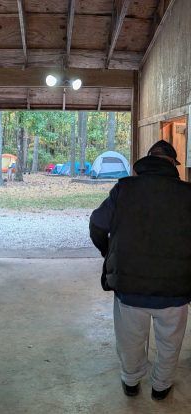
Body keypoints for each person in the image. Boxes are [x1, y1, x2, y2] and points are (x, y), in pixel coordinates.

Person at [89, 140, 191, 401]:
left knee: (130, 340)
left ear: (146, 162)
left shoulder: (124, 188)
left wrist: (109, 252)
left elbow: (98, 224)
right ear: (172, 164)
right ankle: (161, 387)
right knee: (170, 343)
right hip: (176, 288)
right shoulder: (187, 193)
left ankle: (131, 382)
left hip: (130, 287)